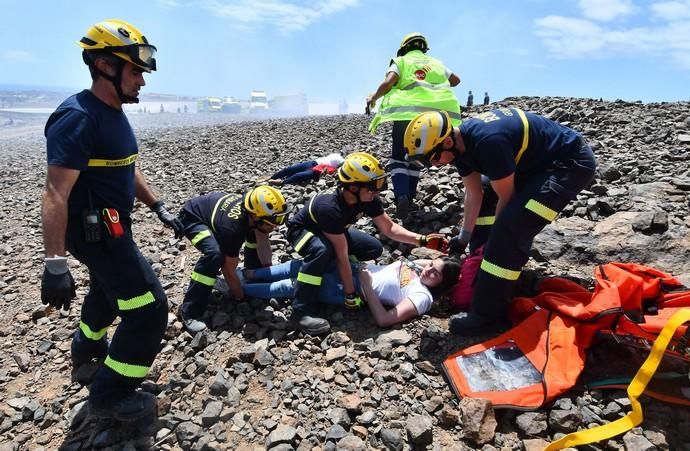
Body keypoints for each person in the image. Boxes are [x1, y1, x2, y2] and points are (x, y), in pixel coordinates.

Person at [40, 19, 184, 422]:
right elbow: (55, 191)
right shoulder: (78, 117)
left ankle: (86, 347)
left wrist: (157, 207)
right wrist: (54, 264)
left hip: (112, 226)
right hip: (98, 235)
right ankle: (110, 393)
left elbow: (125, 166)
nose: (142, 81)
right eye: (135, 71)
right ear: (105, 65)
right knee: (149, 310)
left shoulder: (113, 112)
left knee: (107, 292)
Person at [404, 108, 596, 335]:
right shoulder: (460, 147)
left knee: (509, 228)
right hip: (534, 165)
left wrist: (496, 242)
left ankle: (487, 314)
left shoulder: (488, 142)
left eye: (433, 158)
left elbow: (507, 198)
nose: (435, 165)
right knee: (488, 194)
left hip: (568, 164)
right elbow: (474, 194)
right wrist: (464, 238)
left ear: (447, 141)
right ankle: (481, 270)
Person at [285, 152, 448, 335]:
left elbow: (389, 228)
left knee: (374, 248)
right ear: (353, 187)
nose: (377, 192)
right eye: (372, 188)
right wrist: (349, 293)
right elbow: (342, 256)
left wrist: (422, 240)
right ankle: (301, 310)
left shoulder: (367, 198)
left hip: (333, 230)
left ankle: (325, 267)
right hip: (301, 232)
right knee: (323, 251)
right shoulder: (331, 209)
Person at [366, 32, 462, 219]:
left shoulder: (401, 61)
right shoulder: (436, 64)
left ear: (404, 48)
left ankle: (402, 195)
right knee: (417, 155)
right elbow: (456, 80)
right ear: (423, 48)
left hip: (406, 115)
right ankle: (409, 199)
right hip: (432, 119)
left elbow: (389, 81)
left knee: (398, 158)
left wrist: (373, 97)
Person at [176, 185, 290, 333]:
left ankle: (252, 273)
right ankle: (190, 311)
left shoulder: (253, 210)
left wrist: (265, 274)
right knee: (214, 255)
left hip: (215, 212)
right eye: (272, 222)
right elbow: (228, 270)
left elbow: (263, 241)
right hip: (192, 217)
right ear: (255, 216)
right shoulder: (232, 229)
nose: (275, 227)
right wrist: (241, 298)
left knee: (256, 233)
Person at [230, 256, 461, 327]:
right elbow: (424, 259)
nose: (428, 270)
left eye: (435, 274)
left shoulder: (423, 297)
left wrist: (367, 285)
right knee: (301, 265)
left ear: (441, 284)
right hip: (350, 270)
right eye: (432, 265)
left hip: (350, 290)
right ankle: (248, 273)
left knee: (295, 284)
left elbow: (384, 319)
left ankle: (238, 288)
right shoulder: (421, 268)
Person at [259, 152, 345, 186]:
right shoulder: (338, 155)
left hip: (317, 171)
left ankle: (282, 182)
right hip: (314, 162)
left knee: (299, 175)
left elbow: (337, 173)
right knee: (289, 169)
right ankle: (271, 177)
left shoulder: (343, 164)